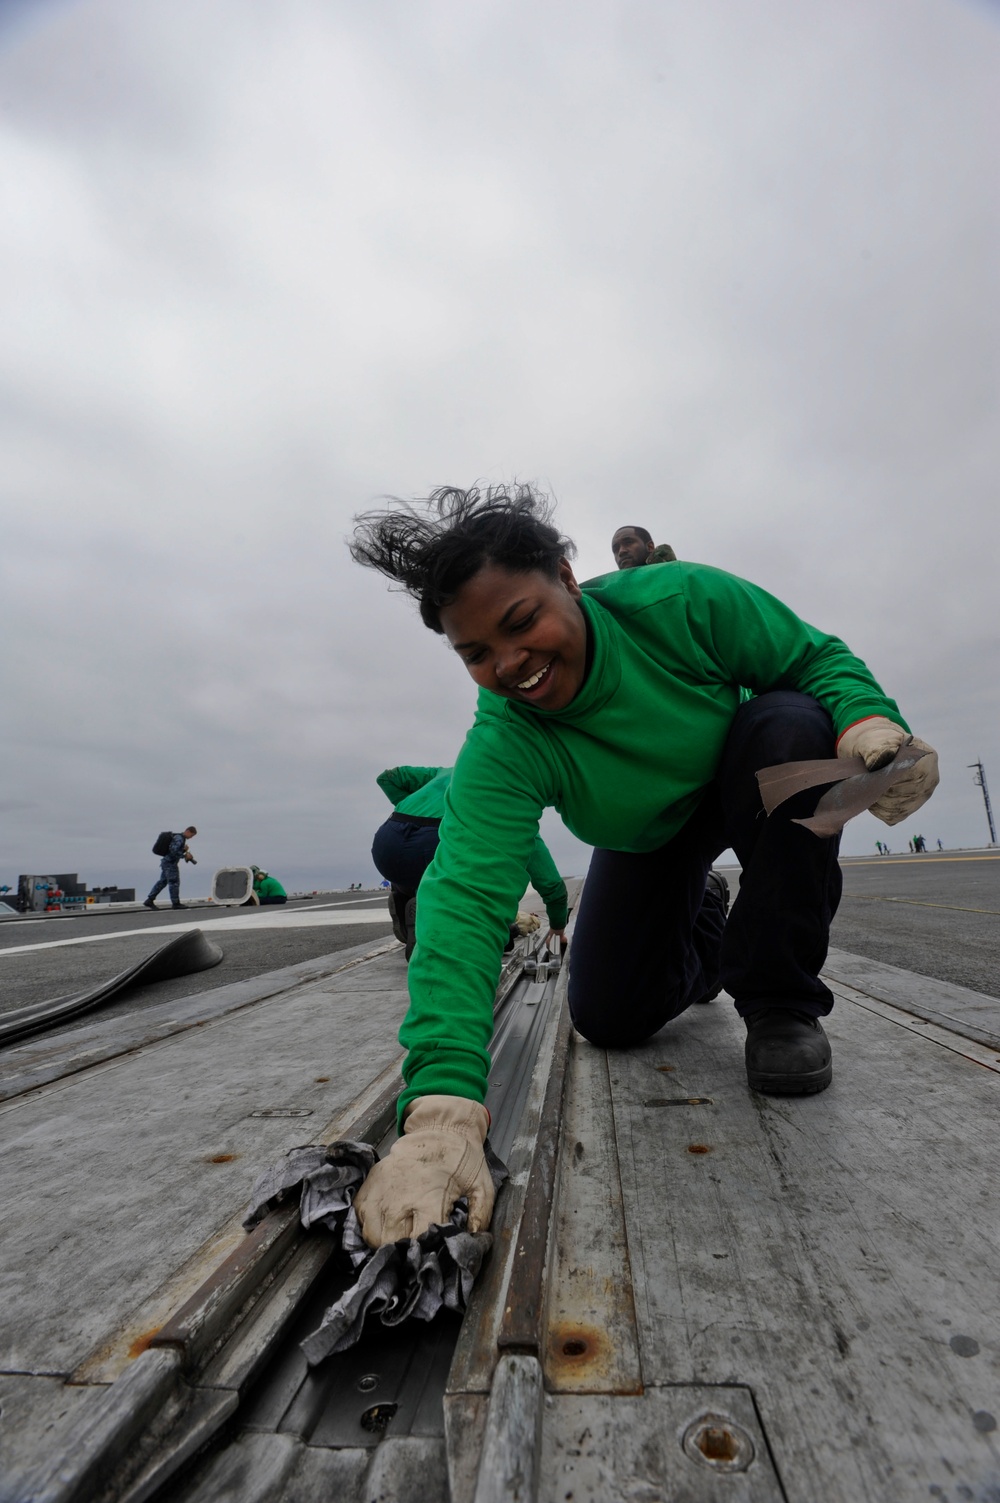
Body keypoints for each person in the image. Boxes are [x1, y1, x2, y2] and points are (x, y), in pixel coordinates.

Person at [347, 484, 939, 1249]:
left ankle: (781, 1002)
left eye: (521, 623)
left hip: (745, 782)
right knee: (608, 1016)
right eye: (477, 654)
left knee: (790, 719)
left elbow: (811, 654)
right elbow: (462, 896)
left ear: (566, 576)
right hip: (645, 839)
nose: (511, 663)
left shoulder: (679, 600)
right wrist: (442, 1109)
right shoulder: (506, 740)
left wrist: (863, 715)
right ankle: (708, 915)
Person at [372, 764, 569, 959]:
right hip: (438, 844)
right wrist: (558, 928)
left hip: (388, 841)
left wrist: (414, 811)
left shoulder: (449, 771)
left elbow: (388, 778)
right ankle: (445, 925)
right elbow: (549, 882)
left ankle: (407, 901)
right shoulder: (511, 802)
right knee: (491, 922)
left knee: (417, 865)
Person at [144, 827, 197, 910]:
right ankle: (176, 903)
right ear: (187, 831)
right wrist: (184, 856)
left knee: (162, 882)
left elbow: (173, 850)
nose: (191, 837)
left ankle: (149, 900)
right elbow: (173, 851)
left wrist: (183, 850)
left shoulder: (179, 838)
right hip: (170, 864)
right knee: (174, 882)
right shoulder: (179, 838)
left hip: (167, 863)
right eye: (192, 835)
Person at [611, 525, 677, 570]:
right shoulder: (608, 589)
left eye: (628, 542)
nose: (621, 551)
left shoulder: (681, 574)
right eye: (616, 549)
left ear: (650, 547)